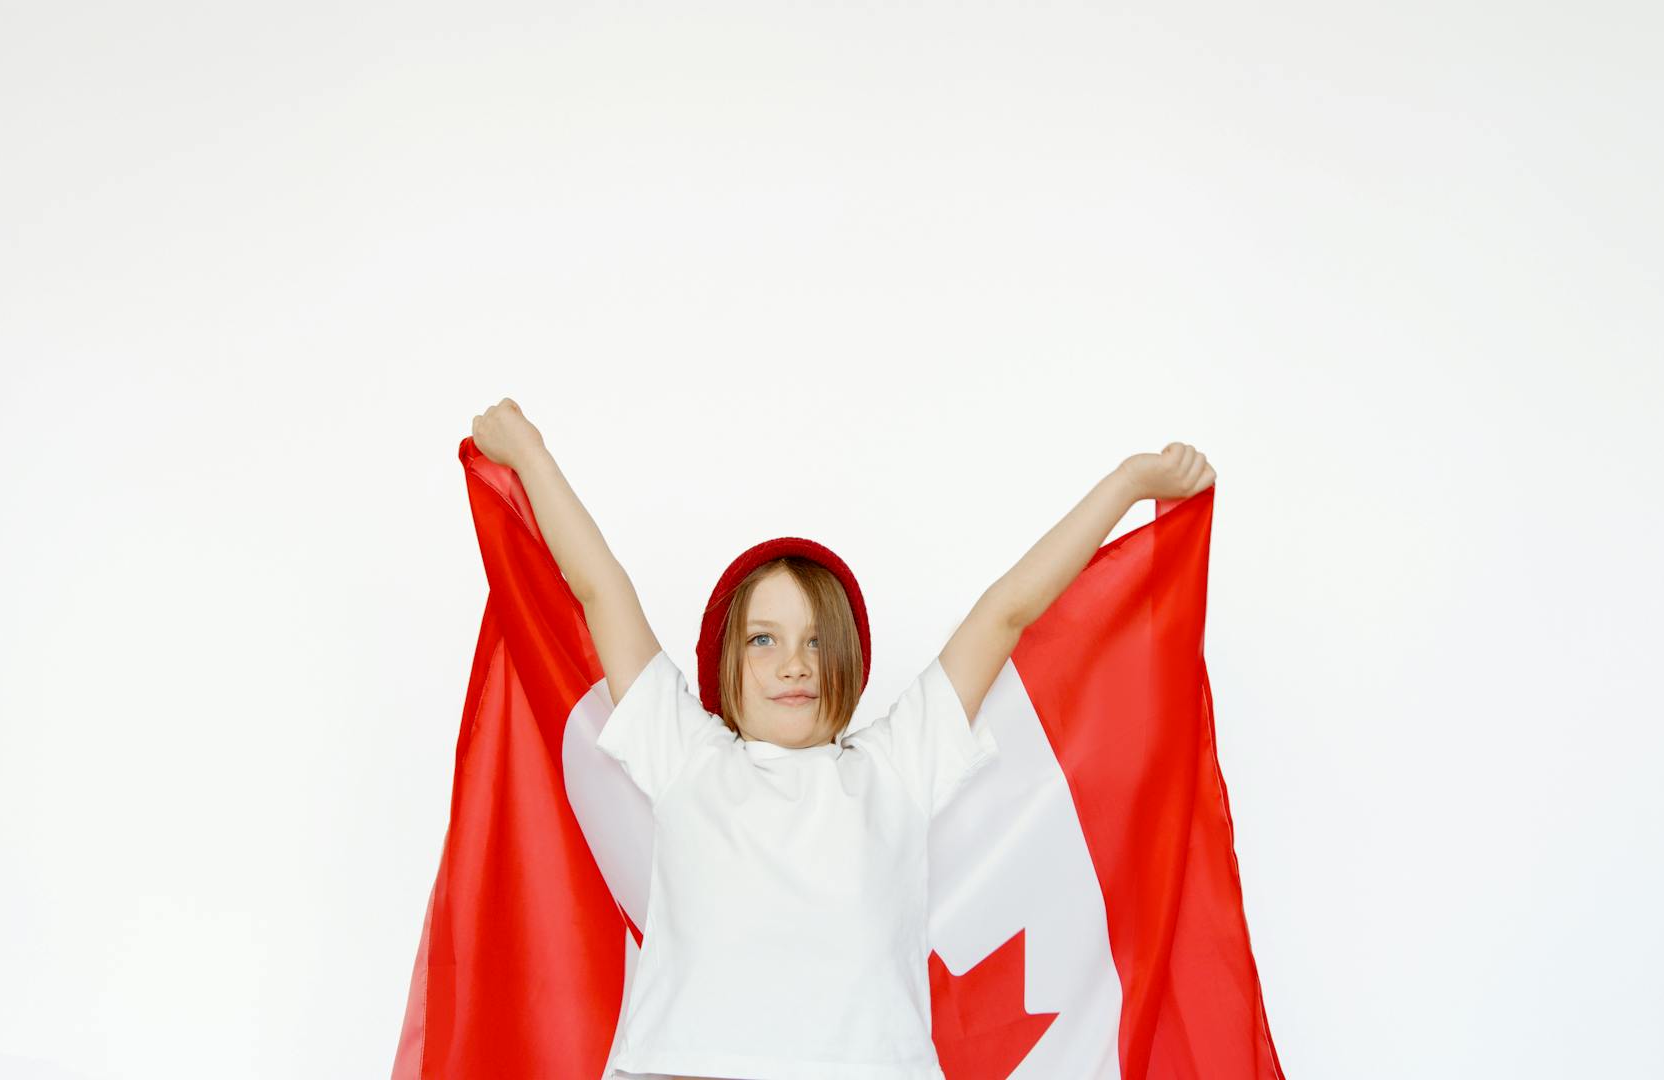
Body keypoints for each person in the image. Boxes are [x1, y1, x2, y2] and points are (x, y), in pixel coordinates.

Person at [467, 397, 1215, 1080]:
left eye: (818, 641)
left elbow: (1004, 614)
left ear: (850, 661)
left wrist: (1126, 484)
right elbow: (599, 586)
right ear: (723, 660)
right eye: (764, 639)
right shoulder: (683, 753)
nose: (794, 663)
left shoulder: (896, 766)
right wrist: (529, 453)